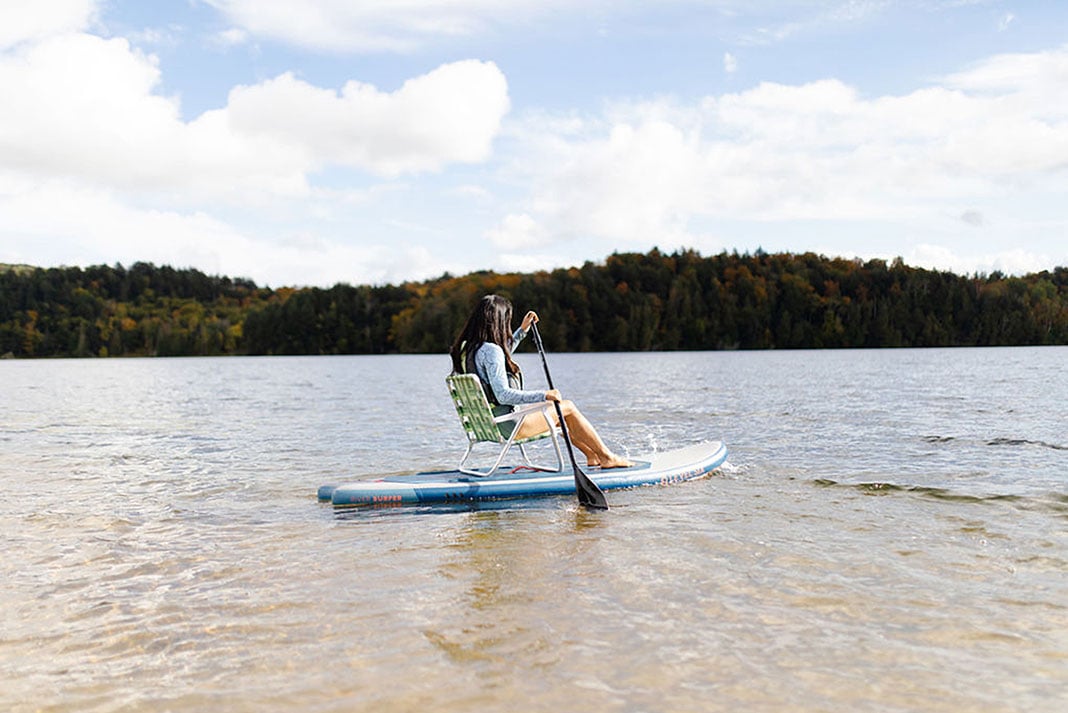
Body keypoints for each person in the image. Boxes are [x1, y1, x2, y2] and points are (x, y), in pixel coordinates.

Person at [449, 294, 633, 469]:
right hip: (510, 426)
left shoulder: (467, 349)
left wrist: (522, 330)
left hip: (490, 424)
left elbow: (497, 359)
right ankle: (608, 457)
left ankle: (592, 456)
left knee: (560, 415)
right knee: (567, 407)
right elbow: (503, 395)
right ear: (499, 322)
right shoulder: (491, 351)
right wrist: (544, 394)